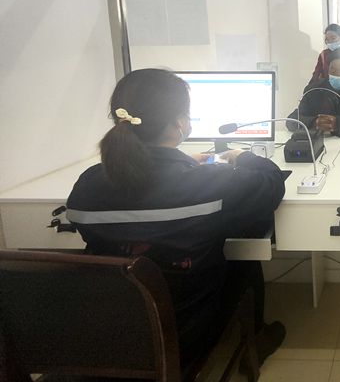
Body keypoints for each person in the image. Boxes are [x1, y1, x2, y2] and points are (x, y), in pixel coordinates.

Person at [66, 69, 287, 371]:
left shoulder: (87, 186)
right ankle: (254, 342)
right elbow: (271, 183)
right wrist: (241, 156)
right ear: (180, 123)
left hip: (109, 332)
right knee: (244, 255)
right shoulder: (205, 184)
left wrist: (179, 163)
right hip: (183, 333)